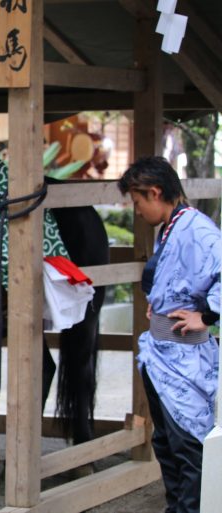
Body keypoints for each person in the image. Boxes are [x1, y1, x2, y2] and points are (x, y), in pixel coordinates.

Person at [118, 156, 220, 513]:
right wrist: (157, 305)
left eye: (137, 201)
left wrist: (206, 315)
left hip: (186, 358)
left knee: (188, 446)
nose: (137, 210)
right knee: (166, 444)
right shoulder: (170, 227)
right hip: (161, 353)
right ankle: (176, 508)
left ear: (156, 192)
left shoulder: (198, 229)